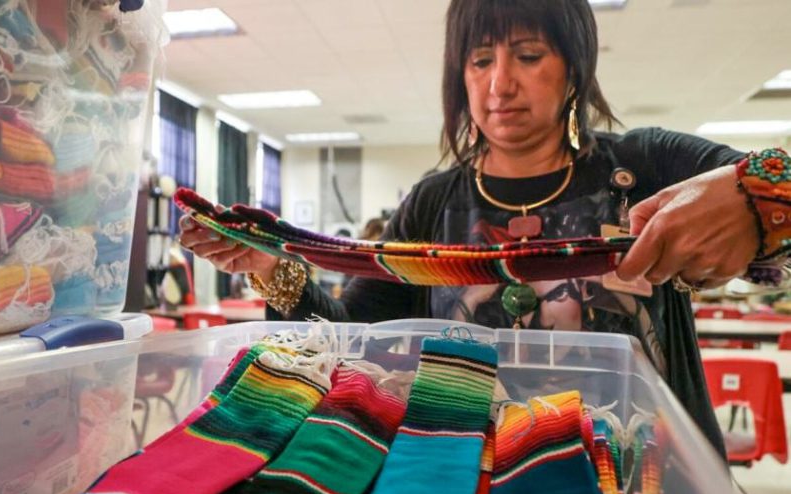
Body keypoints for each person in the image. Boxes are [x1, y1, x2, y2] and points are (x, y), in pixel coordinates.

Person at [180, 0, 790, 456]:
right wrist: (271, 269)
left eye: (528, 56)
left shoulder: (646, 168)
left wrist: (756, 199)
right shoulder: (431, 204)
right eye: (480, 61)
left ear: (572, 69)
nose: (500, 84)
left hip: (650, 484)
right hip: (467, 488)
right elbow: (353, 342)